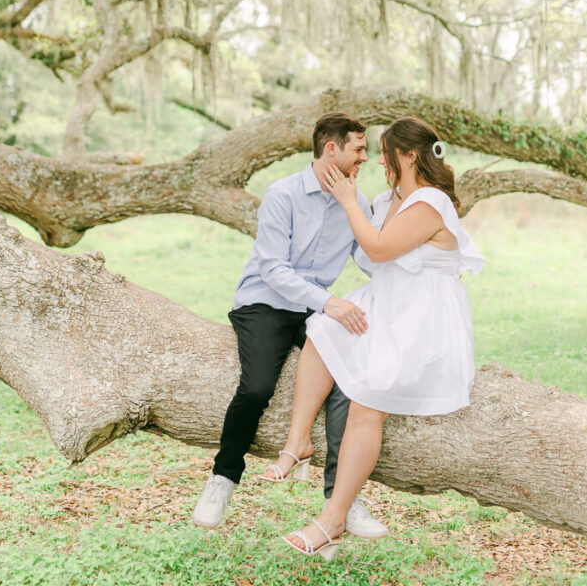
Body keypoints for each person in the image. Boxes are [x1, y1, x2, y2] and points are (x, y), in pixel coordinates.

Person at [262, 116, 484, 560]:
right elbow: (371, 254)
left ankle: (333, 518)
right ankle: (297, 443)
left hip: (421, 319)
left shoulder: (429, 201)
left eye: (384, 151)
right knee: (323, 328)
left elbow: (381, 249)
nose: (377, 159)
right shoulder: (394, 198)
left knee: (367, 404)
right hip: (388, 302)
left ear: (408, 155)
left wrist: (347, 202)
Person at [191, 111, 388, 538]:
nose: (365, 159)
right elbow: (273, 269)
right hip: (265, 301)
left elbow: (372, 259)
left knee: (348, 382)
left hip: (313, 310)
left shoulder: (356, 199)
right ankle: (222, 479)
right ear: (331, 149)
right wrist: (329, 302)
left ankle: (343, 499)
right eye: (358, 149)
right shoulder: (282, 195)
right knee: (258, 385)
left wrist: (423, 271)